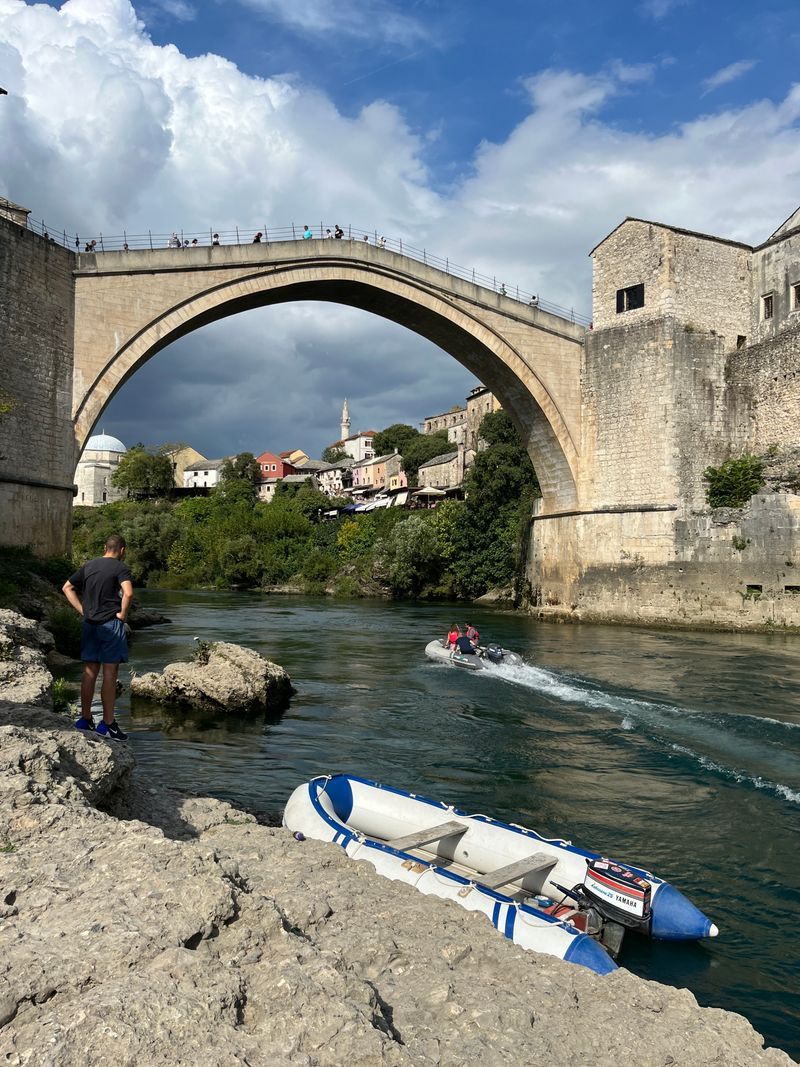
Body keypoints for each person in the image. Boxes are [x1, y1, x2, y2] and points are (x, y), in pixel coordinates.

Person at [62, 534, 133, 742]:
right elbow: (128, 594)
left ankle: (85, 719)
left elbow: (67, 587)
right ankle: (108, 723)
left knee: (89, 672)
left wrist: (83, 611)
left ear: (105, 548)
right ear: (122, 550)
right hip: (110, 624)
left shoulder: (89, 566)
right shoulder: (120, 568)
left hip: (90, 624)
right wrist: (123, 615)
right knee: (110, 674)